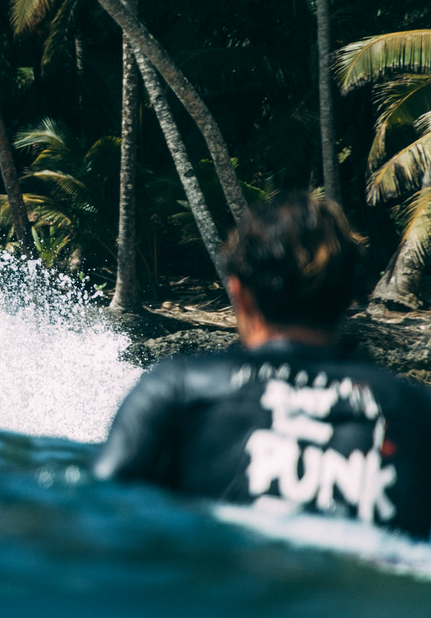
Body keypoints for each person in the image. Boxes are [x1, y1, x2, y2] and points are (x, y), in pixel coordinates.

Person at [94, 192, 431, 539]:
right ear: (348, 298)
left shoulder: (178, 388)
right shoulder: (417, 413)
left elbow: (98, 515)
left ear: (239, 291)